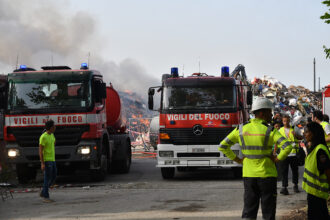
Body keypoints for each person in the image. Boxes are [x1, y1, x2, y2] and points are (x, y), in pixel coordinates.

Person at [219, 97, 292, 220]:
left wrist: (237, 159)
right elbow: (287, 146)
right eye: (269, 112)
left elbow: (223, 146)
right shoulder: (270, 130)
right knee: (268, 211)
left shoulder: (241, 129)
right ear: (262, 112)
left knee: (249, 210)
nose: (271, 115)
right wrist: (277, 159)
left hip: (249, 175)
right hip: (267, 175)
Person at [302, 122, 330, 220]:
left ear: (314, 133)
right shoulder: (313, 148)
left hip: (318, 193)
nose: (305, 134)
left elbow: (328, 172)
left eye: (307, 132)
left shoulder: (320, 150)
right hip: (313, 192)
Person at [279, 115, 301, 195]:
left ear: (290, 120)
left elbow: (301, 137)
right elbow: (277, 142)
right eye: (284, 121)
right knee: (284, 171)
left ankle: (295, 185)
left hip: (294, 153)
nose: (286, 122)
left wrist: (296, 135)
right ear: (282, 121)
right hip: (284, 153)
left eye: (287, 121)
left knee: (295, 171)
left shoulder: (295, 129)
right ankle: (284, 187)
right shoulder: (280, 130)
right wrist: (275, 152)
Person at [39, 120, 57, 203]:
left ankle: (43, 191)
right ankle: (46, 196)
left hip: (53, 159)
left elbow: (53, 143)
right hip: (47, 160)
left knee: (53, 176)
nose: (55, 128)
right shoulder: (43, 137)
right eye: (54, 126)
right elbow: (40, 151)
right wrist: (42, 163)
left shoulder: (52, 135)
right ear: (50, 127)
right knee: (47, 178)